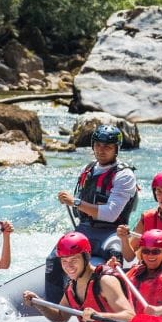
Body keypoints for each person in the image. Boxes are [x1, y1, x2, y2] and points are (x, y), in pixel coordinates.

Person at [48, 124, 138, 301]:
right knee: (54, 259)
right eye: (98, 145)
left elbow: (111, 214)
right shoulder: (89, 169)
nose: (101, 150)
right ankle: (55, 307)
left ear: (116, 149)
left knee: (115, 257)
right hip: (85, 229)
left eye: (107, 147)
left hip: (111, 232)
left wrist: (75, 202)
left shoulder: (124, 175)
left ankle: (119, 306)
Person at [23, 232, 135, 322]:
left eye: (74, 260)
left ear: (86, 257)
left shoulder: (105, 281)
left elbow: (130, 317)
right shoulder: (72, 286)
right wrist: (39, 304)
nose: (69, 266)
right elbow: (61, 317)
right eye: (64, 261)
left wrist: (99, 315)